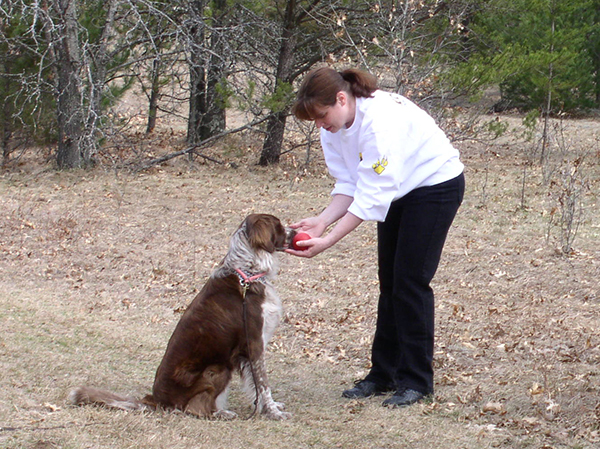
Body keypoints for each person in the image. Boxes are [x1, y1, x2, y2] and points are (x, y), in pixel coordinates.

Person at [286, 67, 465, 407]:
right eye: (315, 120)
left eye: (322, 116)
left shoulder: (380, 121)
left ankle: (416, 382)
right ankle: (382, 375)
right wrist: (322, 221)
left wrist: (329, 240)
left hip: (435, 186)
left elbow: (372, 195)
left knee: (410, 282)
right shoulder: (333, 128)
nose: (320, 125)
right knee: (389, 282)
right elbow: (350, 183)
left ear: (342, 99)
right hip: (397, 190)